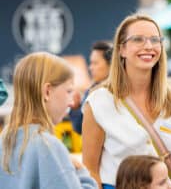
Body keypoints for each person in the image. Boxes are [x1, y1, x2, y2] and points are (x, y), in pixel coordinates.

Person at [82, 14, 171, 189]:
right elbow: (90, 170)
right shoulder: (99, 101)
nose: (148, 46)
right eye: (138, 39)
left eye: (155, 40)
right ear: (122, 49)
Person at [0, 52, 98, 189]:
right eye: (69, 91)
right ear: (47, 92)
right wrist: (80, 171)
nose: (71, 103)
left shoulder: (5, 139)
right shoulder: (48, 146)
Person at [69, 41, 113, 134]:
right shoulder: (91, 91)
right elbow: (80, 128)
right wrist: (76, 108)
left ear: (111, 64)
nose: (90, 67)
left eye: (95, 63)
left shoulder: (123, 92)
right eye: (91, 63)